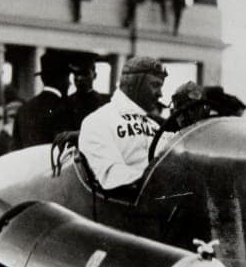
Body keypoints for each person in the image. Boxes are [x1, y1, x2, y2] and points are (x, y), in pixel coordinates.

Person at [78, 56, 167, 193]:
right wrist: (164, 183)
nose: (160, 94)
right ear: (134, 84)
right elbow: (113, 175)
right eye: (155, 85)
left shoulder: (155, 125)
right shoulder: (98, 121)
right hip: (127, 203)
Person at [13, 50, 73, 149]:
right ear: (61, 79)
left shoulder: (23, 110)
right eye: (68, 78)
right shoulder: (65, 109)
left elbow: (15, 149)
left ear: (42, 79)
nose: (70, 83)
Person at [64, 56, 110, 130]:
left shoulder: (104, 103)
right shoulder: (67, 102)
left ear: (94, 75)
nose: (79, 78)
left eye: (85, 74)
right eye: (76, 74)